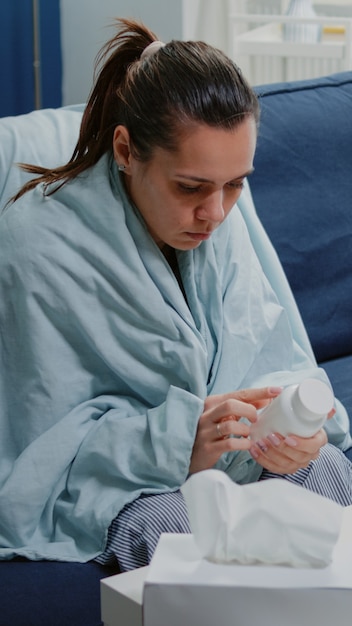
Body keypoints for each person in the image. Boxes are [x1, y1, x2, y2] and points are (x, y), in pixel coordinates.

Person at [0, 18, 351, 570]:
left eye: (236, 183)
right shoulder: (38, 244)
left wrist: (296, 427)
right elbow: (36, 451)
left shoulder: (222, 218)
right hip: (125, 483)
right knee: (184, 535)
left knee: (328, 470)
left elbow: (272, 356)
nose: (215, 214)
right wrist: (176, 441)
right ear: (125, 149)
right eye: (190, 187)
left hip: (236, 456)